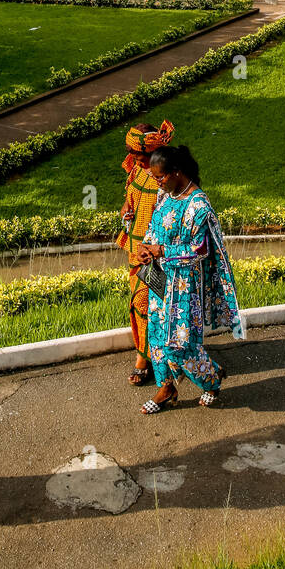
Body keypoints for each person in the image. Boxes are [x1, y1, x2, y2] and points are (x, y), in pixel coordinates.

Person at [138, 144, 244, 413]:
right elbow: (153, 227)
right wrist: (145, 247)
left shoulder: (199, 205)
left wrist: (162, 250)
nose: (157, 183)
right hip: (161, 281)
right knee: (158, 338)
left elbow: (200, 250)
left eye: (160, 177)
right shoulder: (165, 196)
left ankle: (211, 381)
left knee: (182, 345)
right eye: (155, 178)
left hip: (186, 287)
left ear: (176, 172)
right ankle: (167, 389)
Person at [118, 119, 175, 385]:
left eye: (137, 154)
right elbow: (130, 201)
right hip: (136, 251)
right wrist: (126, 212)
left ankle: (152, 359)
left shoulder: (166, 177)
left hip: (160, 255)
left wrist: (160, 248)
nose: (132, 158)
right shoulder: (138, 170)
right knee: (141, 305)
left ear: (152, 153)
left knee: (151, 305)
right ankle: (147, 356)